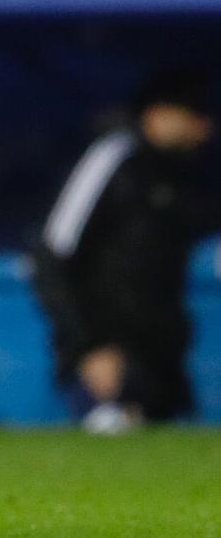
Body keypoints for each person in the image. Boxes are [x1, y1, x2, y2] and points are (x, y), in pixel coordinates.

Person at [33, 69, 216, 433]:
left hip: (162, 356)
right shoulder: (114, 158)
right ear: (158, 113)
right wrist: (88, 347)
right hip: (109, 354)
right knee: (109, 446)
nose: (205, 126)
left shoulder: (185, 177)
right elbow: (50, 256)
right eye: (194, 114)